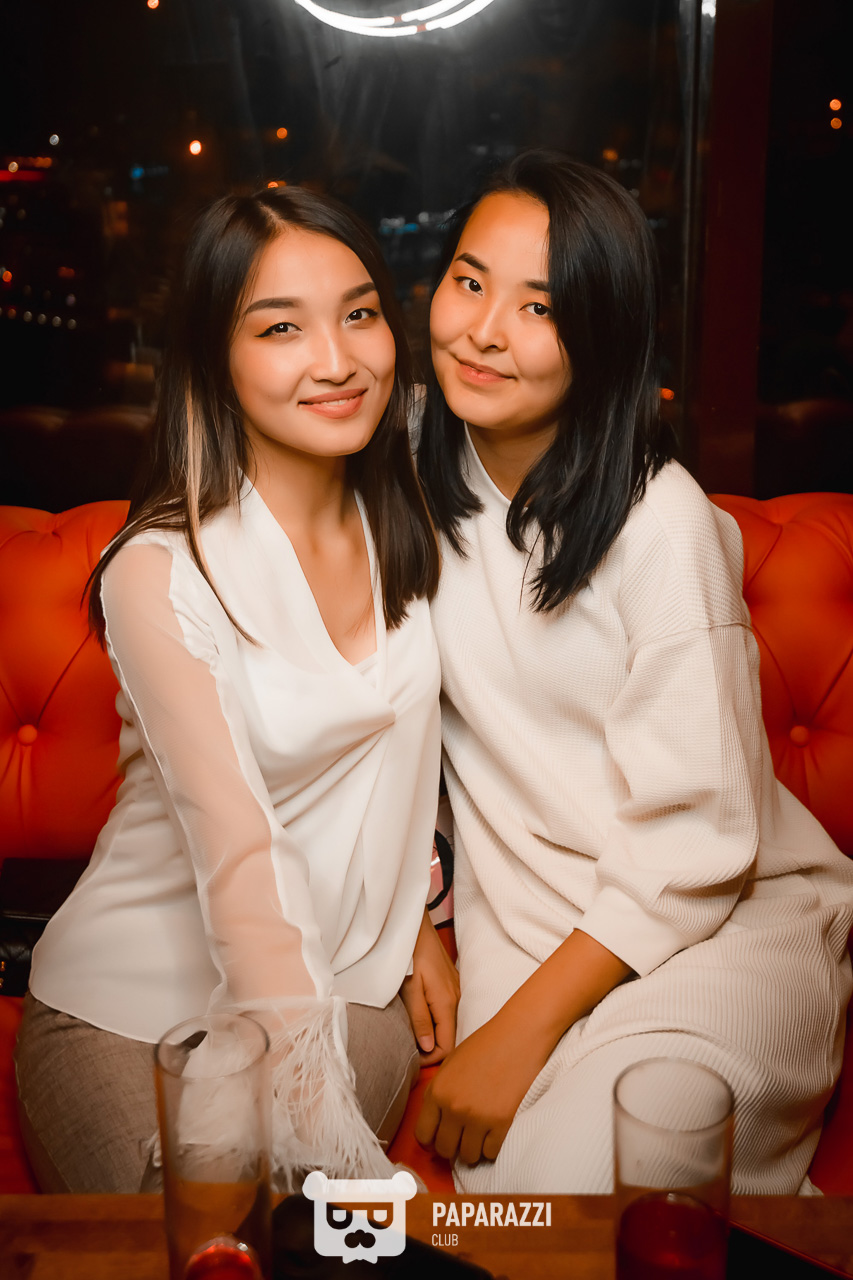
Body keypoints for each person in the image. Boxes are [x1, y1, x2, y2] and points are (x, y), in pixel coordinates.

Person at [414, 150, 853, 1194]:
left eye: (539, 307)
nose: (483, 330)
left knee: (591, 1185)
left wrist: (517, 1033)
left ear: (602, 337)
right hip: (530, 923)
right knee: (519, 1202)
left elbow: (697, 844)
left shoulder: (660, 524)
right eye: (469, 281)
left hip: (720, 932)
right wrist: (408, 926)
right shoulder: (408, 473)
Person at [15, 184, 459, 1194]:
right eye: (280, 327)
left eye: (358, 312)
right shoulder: (161, 570)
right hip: (130, 1003)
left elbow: (414, 756)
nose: (337, 360)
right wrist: (309, 1104)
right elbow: (238, 843)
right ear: (215, 357)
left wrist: (421, 917)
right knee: (206, 1229)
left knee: (295, 1232)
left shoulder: (419, 524)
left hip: (348, 984)